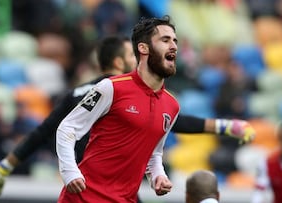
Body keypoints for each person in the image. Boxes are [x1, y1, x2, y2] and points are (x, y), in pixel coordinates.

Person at [0, 33, 254, 203]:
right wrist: (225, 126)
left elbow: (42, 133)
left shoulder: (77, 93)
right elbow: (174, 121)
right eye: (131, 54)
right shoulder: (119, 92)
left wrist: (4, 167)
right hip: (104, 188)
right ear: (118, 63)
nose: (139, 58)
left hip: (91, 189)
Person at [55, 16, 254, 203]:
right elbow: (67, 129)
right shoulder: (111, 88)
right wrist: (70, 172)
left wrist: (158, 175)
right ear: (143, 48)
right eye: (165, 40)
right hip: (85, 197)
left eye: (175, 40)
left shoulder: (171, 105)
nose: (174, 46)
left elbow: (154, 153)